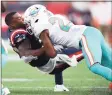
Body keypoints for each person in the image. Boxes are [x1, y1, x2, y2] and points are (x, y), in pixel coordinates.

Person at [24, 4, 112, 82]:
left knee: (94, 66)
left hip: (85, 37)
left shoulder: (41, 29)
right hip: (92, 32)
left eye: (29, 22)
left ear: (36, 18)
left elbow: (52, 53)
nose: (29, 25)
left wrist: (39, 54)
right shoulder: (57, 17)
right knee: (109, 63)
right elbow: (64, 37)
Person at [5, 12, 83, 92]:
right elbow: (26, 54)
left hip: (44, 59)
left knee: (56, 42)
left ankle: (59, 86)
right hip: (48, 63)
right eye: (19, 19)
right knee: (84, 48)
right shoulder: (17, 34)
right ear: (13, 25)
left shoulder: (21, 26)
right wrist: (47, 47)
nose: (22, 19)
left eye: (21, 16)